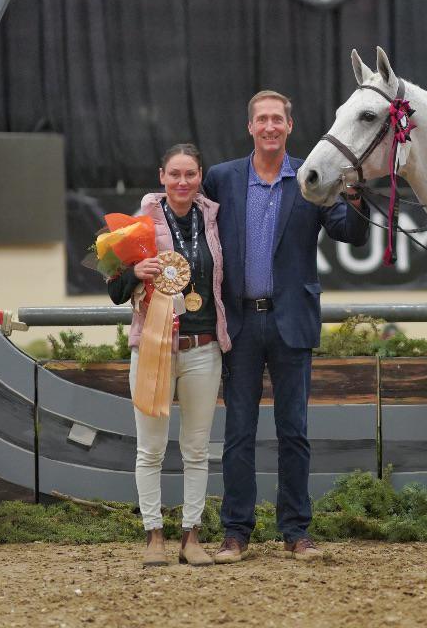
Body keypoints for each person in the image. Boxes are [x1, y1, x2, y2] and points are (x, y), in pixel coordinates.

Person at [203, 90, 368, 563]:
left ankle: (297, 530)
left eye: (278, 119)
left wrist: (355, 194)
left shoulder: (311, 178)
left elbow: (350, 234)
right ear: (250, 127)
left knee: (294, 430)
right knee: (238, 433)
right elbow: (198, 233)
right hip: (239, 323)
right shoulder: (222, 179)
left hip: (291, 320)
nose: (271, 126)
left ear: (290, 127)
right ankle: (236, 532)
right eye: (262, 120)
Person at [108, 143, 229, 567]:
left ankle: (191, 537)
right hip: (154, 347)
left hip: (203, 349)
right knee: (151, 449)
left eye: (190, 175)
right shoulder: (139, 223)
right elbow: (112, 288)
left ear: (200, 177)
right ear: (162, 175)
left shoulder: (213, 218)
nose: (182, 182)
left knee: (197, 449)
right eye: (175, 174)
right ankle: (153, 535)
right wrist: (132, 274)